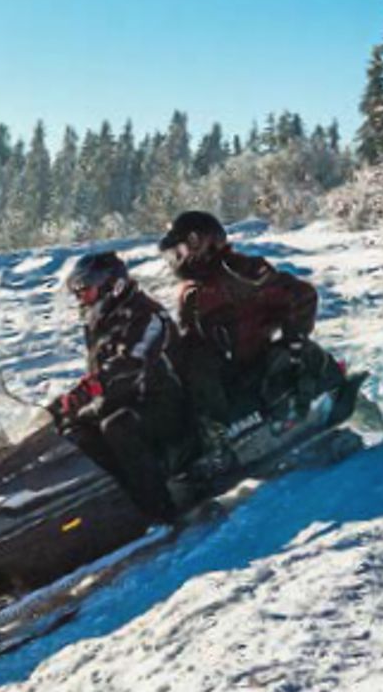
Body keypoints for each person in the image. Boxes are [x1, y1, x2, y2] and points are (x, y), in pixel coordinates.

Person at [158, 210, 342, 430]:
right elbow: (191, 339)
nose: (178, 260)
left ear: (202, 244)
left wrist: (295, 340)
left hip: (256, 361)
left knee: (197, 364)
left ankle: (218, 434)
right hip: (227, 371)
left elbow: (300, 294)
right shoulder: (191, 292)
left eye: (181, 252)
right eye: (174, 255)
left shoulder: (241, 270)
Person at [46, 251, 190, 522]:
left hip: (164, 403)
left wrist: (89, 389)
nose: (81, 298)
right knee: (73, 431)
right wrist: (57, 408)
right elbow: (101, 374)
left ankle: (159, 510)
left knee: (118, 427)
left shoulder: (147, 315)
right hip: (124, 400)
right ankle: (105, 509)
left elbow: (131, 363)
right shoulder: (101, 322)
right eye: (78, 292)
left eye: (85, 290)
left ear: (112, 286)